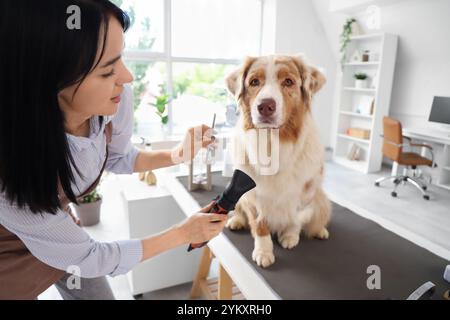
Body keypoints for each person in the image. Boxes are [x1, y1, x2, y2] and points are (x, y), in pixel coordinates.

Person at [0, 0, 227, 300]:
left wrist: (177, 154)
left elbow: (121, 158)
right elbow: (92, 257)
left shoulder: (113, 103)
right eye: (107, 71)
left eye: (120, 59)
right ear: (48, 81)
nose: (127, 77)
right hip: (10, 255)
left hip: (63, 231)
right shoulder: (9, 170)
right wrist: (184, 233)